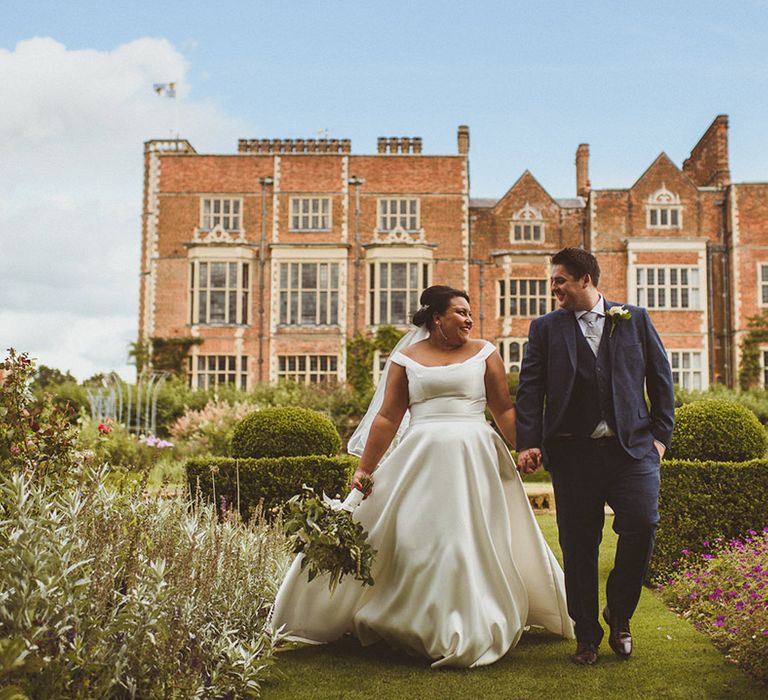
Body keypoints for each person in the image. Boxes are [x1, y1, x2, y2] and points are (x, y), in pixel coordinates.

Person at [270, 285, 574, 668]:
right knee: (418, 541)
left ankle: (473, 622)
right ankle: (415, 623)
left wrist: (526, 446)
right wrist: (365, 467)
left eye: (470, 314)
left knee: (471, 540)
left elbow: (503, 409)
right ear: (437, 318)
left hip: (475, 459)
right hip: (420, 460)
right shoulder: (405, 357)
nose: (468, 319)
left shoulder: (485, 352)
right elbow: (387, 417)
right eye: (460, 312)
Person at [515, 248, 675, 666]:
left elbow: (661, 380)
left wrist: (659, 441)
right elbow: (530, 389)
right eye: (552, 280)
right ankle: (586, 634)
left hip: (633, 451)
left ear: (586, 279)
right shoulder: (546, 328)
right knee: (579, 545)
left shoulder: (634, 319)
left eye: (560, 280)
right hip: (573, 454)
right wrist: (528, 441)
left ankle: (619, 615)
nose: (554, 288)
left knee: (642, 525)